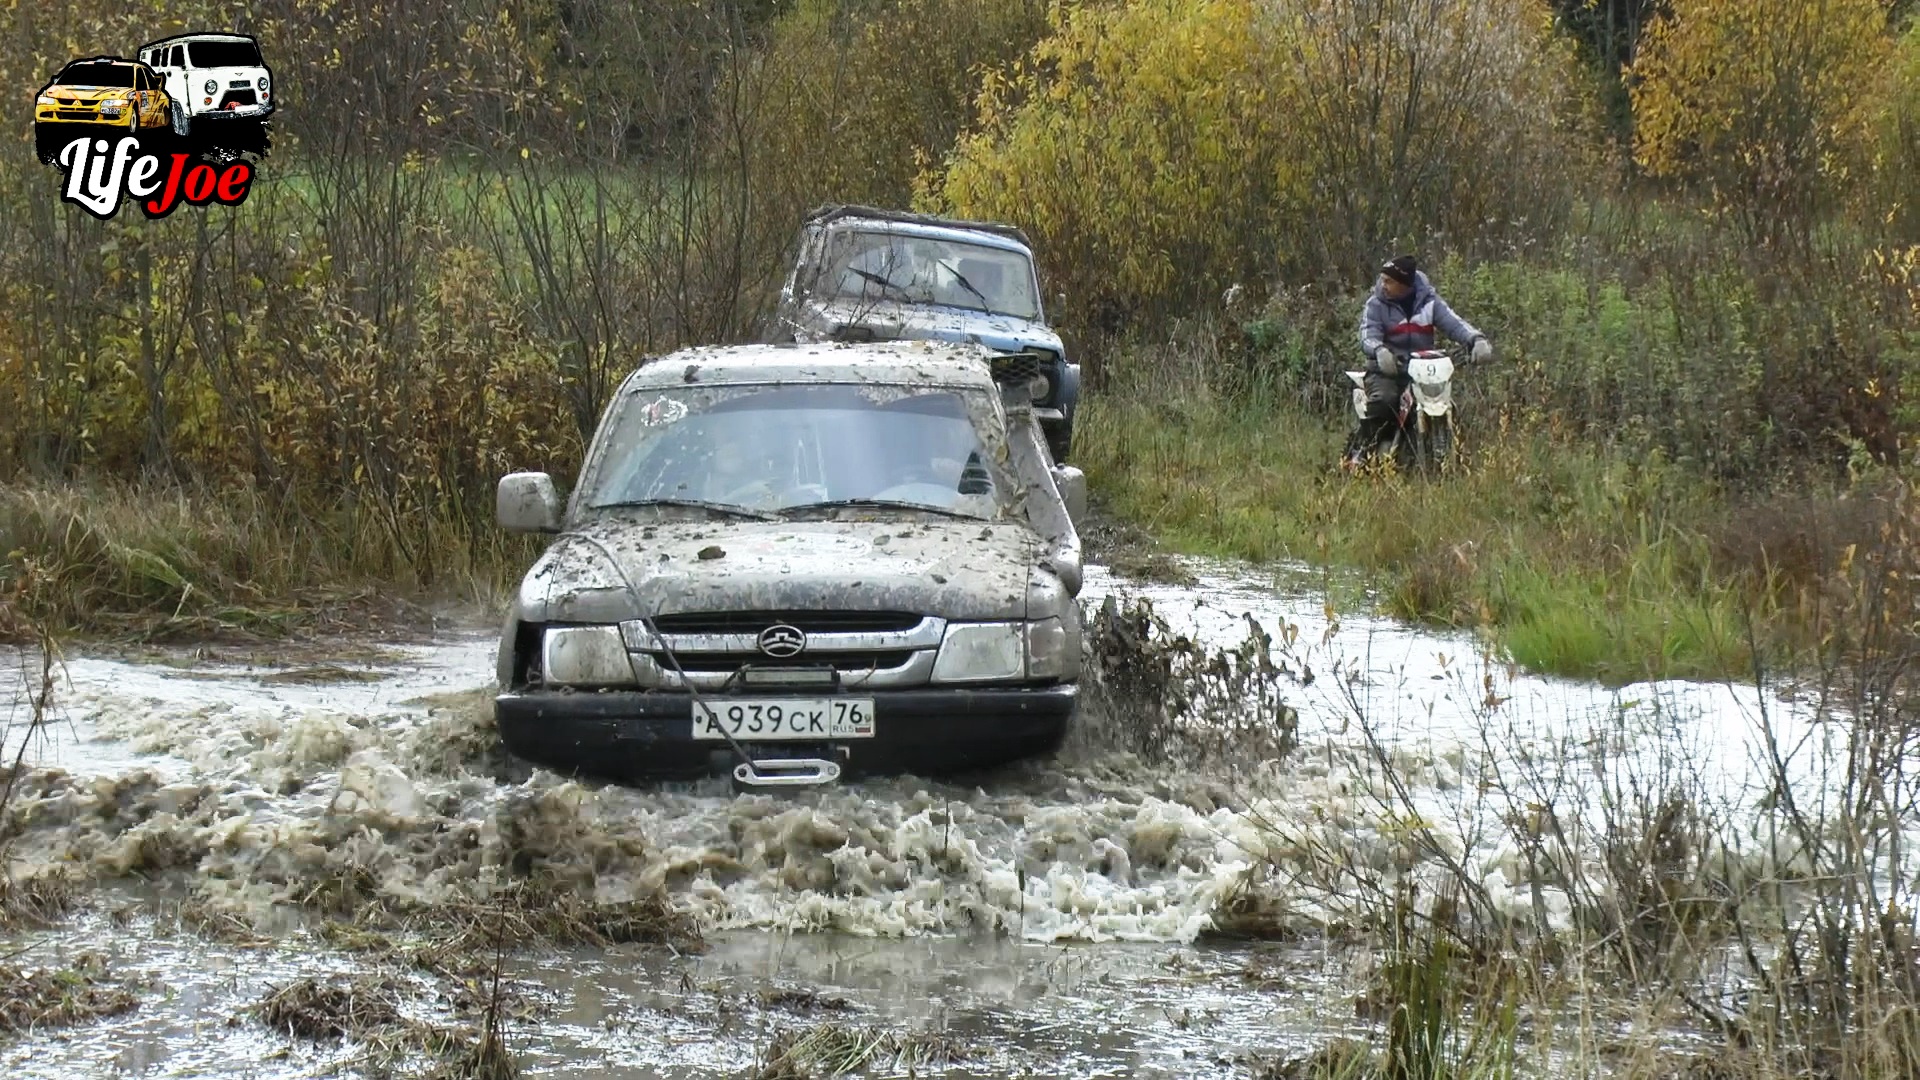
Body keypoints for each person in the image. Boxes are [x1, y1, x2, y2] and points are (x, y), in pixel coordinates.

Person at [1348, 254, 1493, 468]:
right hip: (1386, 370)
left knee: (1451, 406)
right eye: (1382, 280)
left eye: (1389, 281)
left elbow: (1455, 323)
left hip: (1424, 371)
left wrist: (1477, 339)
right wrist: (1379, 350)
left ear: (1405, 283)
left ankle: (1460, 461)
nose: (1383, 285)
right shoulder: (1376, 304)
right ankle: (1362, 452)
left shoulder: (1429, 302)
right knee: (1385, 401)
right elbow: (1367, 335)